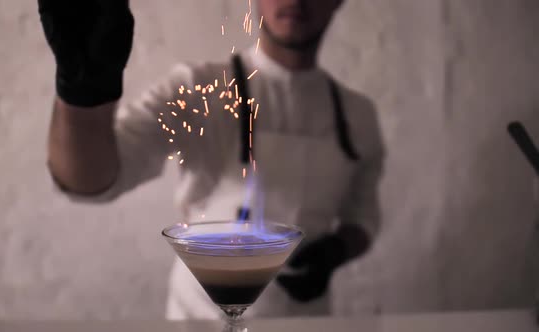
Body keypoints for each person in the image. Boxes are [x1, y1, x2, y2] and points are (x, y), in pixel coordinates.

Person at [38, 0, 386, 319]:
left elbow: (363, 217)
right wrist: (83, 93)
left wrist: (338, 250)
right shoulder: (197, 90)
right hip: (200, 319)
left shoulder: (359, 115)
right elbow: (91, 182)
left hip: (305, 321)